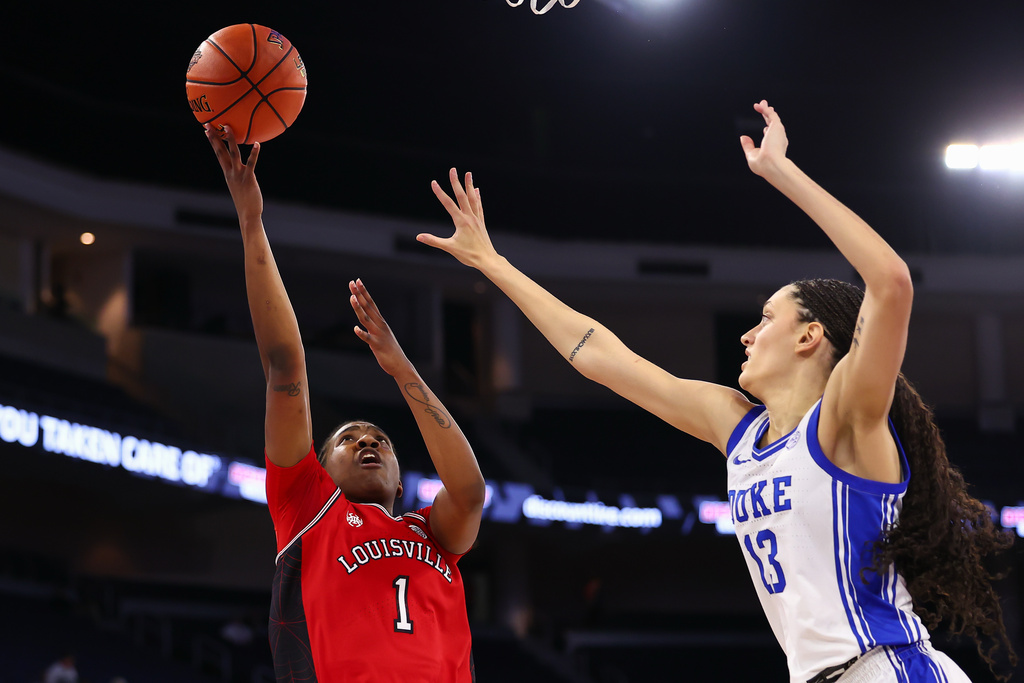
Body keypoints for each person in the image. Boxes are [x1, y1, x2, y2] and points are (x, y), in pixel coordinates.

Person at [422, 101, 1016, 682]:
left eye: (766, 318)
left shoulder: (846, 420)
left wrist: (782, 173)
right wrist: (494, 264)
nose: (747, 333)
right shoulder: (737, 426)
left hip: (888, 668)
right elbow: (600, 355)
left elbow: (889, 282)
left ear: (811, 335)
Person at [206, 124, 486, 682]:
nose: (367, 442)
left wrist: (403, 369)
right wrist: (251, 221)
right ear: (321, 469)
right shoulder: (309, 506)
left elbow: (470, 491)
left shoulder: (433, 534)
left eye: (379, 440)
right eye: (348, 439)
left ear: (403, 482)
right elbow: (286, 365)